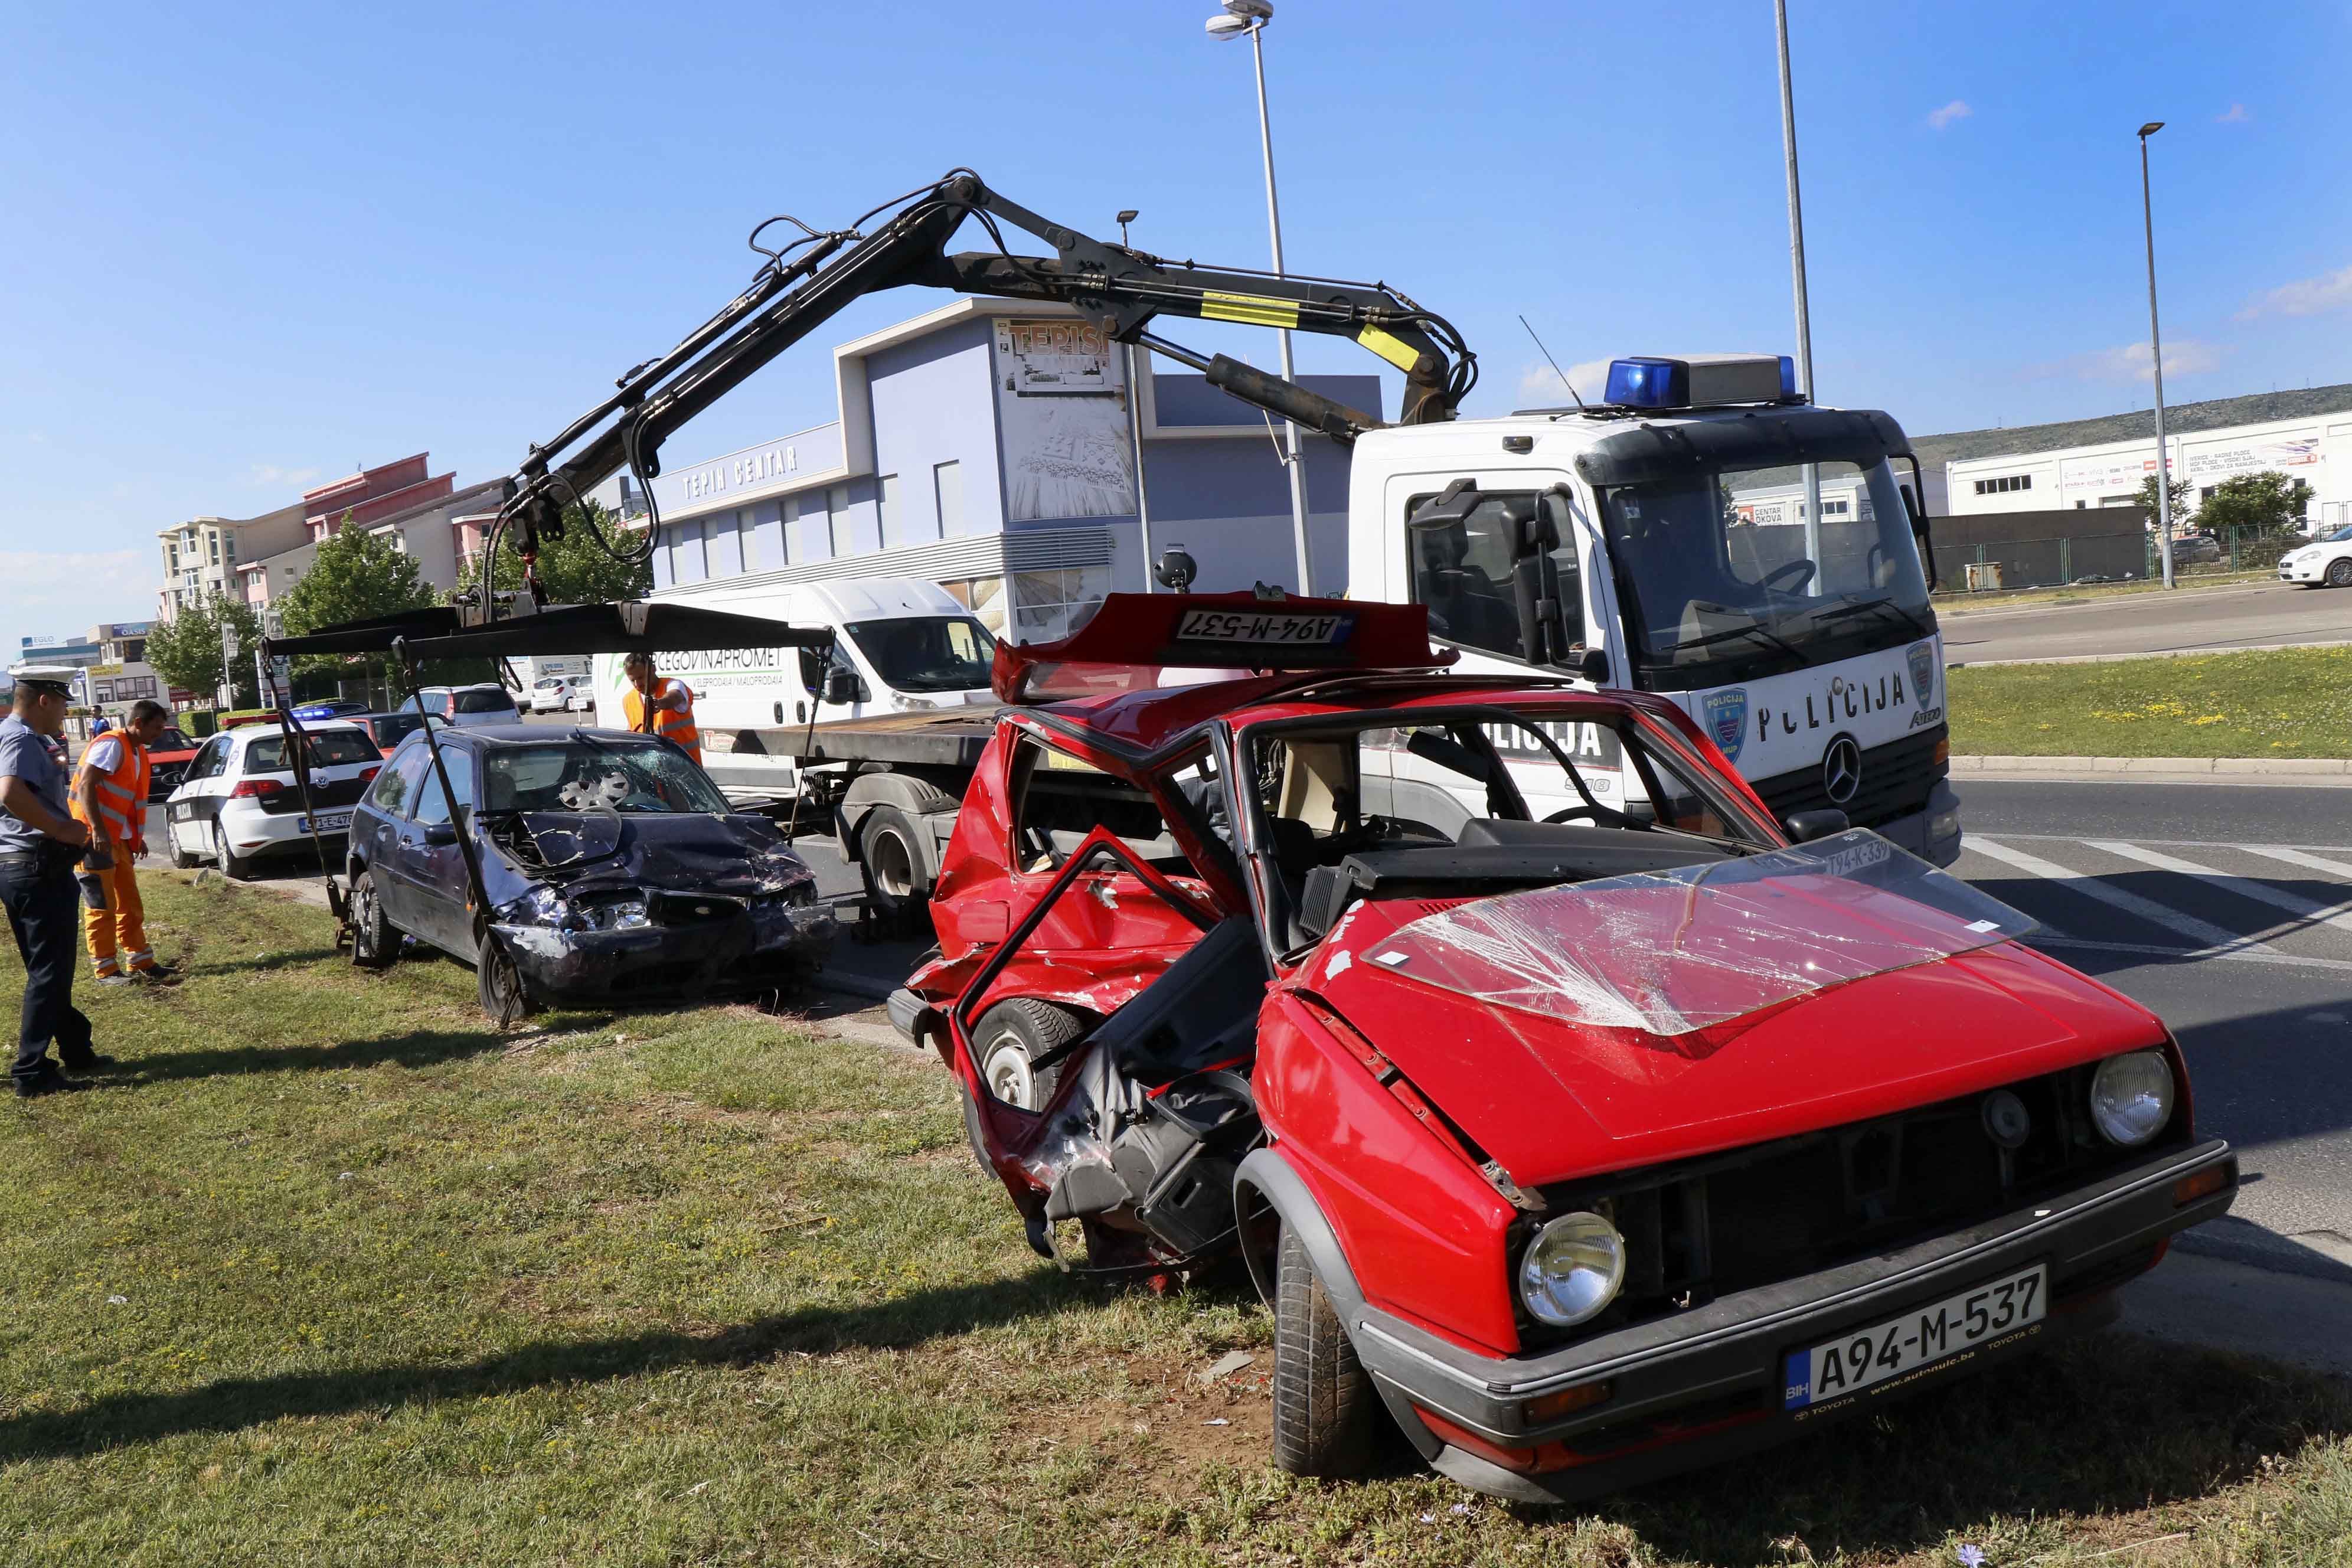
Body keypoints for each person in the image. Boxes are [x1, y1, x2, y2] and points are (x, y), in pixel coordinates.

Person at [0, 665, 114, 1097]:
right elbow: (11, 793)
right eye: (64, 703)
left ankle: (75, 1046)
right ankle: (31, 1071)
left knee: (46, 970)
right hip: (37, 865)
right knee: (50, 972)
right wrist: (63, 830)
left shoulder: (9, 735)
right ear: (43, 700)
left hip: (19, 865)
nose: (66, 713)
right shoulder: (22, 738)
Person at [72, 698, 178, 986]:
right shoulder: (113, 745)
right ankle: (106, 970)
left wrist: (135, 838)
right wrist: (98, 830)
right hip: (95, 841)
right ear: (139, 723)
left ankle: (140, 960)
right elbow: (86, 785)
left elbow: (127, 800)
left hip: (118, 841)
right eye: (156, 728)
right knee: (101, 906)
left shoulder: (137, 751)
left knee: (129, 905)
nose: (160, 734)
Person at [620, 652, 701, 765]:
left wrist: (660, 703)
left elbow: (675, 696)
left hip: (686, 770)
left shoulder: (673, 685)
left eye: (641, 677)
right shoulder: (628, 700)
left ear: (653, 669)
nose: (637, 684)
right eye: (632, 680)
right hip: (653, 773)